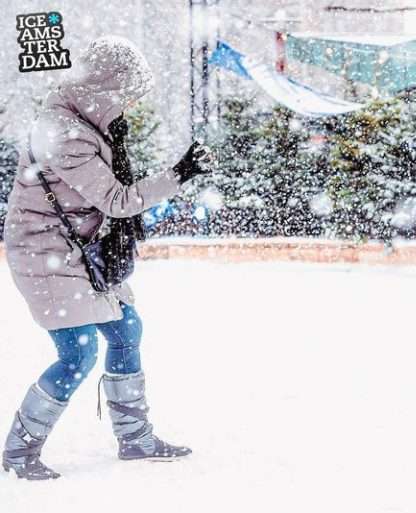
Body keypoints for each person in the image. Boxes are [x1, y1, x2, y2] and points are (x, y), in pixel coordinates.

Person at [2, 36, 213, 480]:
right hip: (45, 251)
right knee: (77, 352)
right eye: (127, 97)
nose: (130, 108)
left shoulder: (88, 123)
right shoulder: (63, 132)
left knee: (126, 328)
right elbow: (118, 200)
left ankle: (135, 438)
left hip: (79, 247)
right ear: (104, 90)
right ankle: (20, 450)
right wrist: (179, 174)